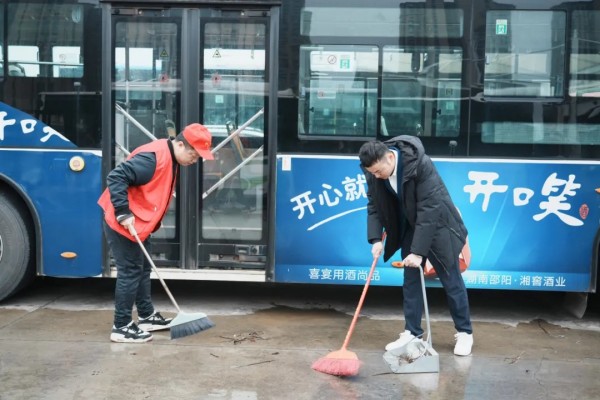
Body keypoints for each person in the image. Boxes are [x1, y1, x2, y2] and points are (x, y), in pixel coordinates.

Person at [98, 123, 214, 343]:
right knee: (130, 271)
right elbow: (116, 177)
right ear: (180, 144)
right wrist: (123, 212)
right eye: (194, 154)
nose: (195, 160)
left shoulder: (171, 157)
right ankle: (121, 326)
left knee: (142, 269)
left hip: (140, 224)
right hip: (123, 223)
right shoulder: (152, 159)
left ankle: (146, 316)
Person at [358, 136, 473, 356]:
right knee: (411, 281)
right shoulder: (373, 172)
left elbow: (429, 211)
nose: (375, 176)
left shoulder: (420, 164)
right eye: (371, 173)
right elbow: (374, 205)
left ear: (390, 158)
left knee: (451, 279)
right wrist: (375, 240)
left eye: (378, 171)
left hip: (439, 225)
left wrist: (418, 253)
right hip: (411, 226)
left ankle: (465, 332)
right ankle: (412, 333)